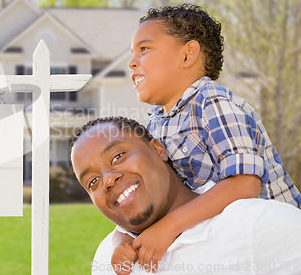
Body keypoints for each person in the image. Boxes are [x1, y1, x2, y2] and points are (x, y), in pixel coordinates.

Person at [105, 4, 301, 273]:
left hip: (269, 248)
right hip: (219, 243)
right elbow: (156, 192)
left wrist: (170, 226)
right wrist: (122, 238)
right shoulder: (156, 122)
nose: (132, 62)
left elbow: (245, 184)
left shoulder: (213, 102)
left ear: (188, 55)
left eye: (145, 49)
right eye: (133, 53)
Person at [69, 117, 301, 274]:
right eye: (93, 182)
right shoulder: (107, 258)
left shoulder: (258, 225)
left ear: (158, 149)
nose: (108, 179)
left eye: (118, 156)